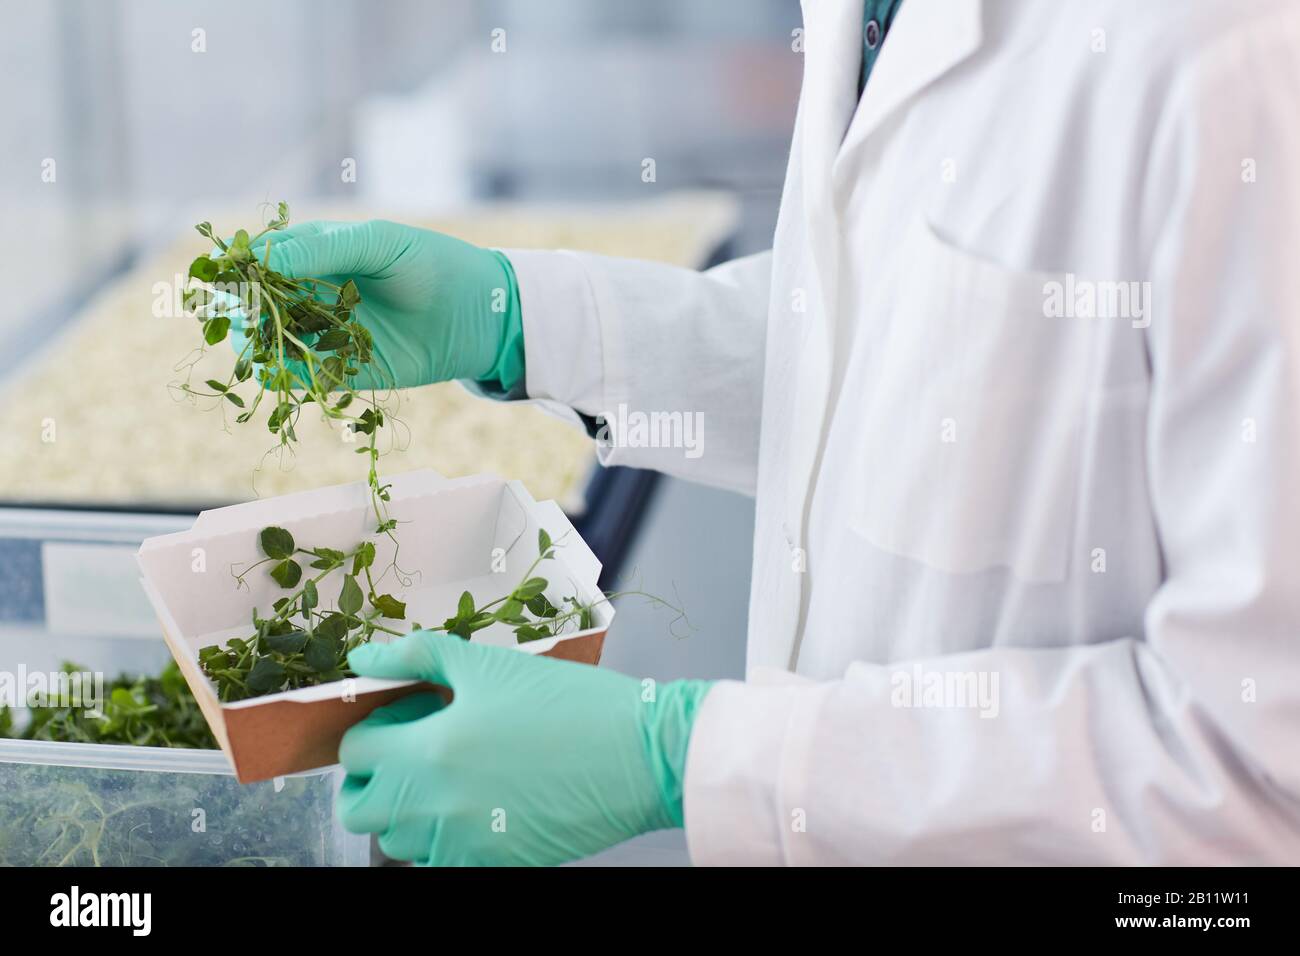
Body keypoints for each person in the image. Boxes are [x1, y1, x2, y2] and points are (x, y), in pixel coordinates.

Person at [252, 0, 1300, 865]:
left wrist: (688, 757)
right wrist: (526, 318)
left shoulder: (1233, 57)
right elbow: (906, 343)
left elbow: (1252, 776)